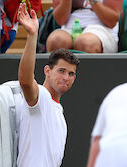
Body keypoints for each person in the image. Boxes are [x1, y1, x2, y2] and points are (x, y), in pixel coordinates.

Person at [16, 3, 80, 166]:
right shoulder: (42, 97)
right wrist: (32, 35)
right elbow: (25, 81)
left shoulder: (57, 109)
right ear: (47, 71)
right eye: (61, 71)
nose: (66, 77)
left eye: (71, 73)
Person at [45, 0, 123, 53]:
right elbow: (60, 20)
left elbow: (111, 22)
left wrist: (93, 1)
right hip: (69, 28)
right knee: (55, 41)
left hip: (102, 30)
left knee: (85, 42)